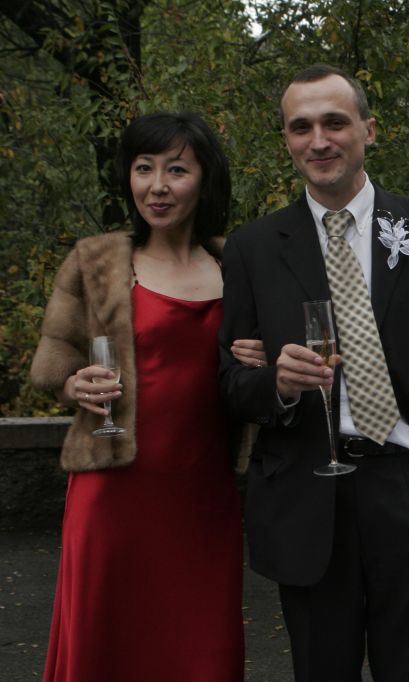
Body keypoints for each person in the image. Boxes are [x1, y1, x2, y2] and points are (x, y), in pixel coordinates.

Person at [217, 64, 409, 682]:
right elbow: (229, 382)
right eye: (301, 127)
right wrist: (277, 385)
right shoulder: (253, 249)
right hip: (308, 491)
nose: (319, 140)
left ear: (369, 129)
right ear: (287, 139)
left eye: (334, 122)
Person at [30, 112, 264, 681]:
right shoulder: (97, 260)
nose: (157, 186)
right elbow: (53, 359)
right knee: (111, 642)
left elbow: (263, 372)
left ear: (205, 179)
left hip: (202, 495)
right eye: (143, 168)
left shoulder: (238, 264)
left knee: (199, 648)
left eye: (176, 170)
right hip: (113, 492)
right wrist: (72, 382)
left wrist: (259, 359)